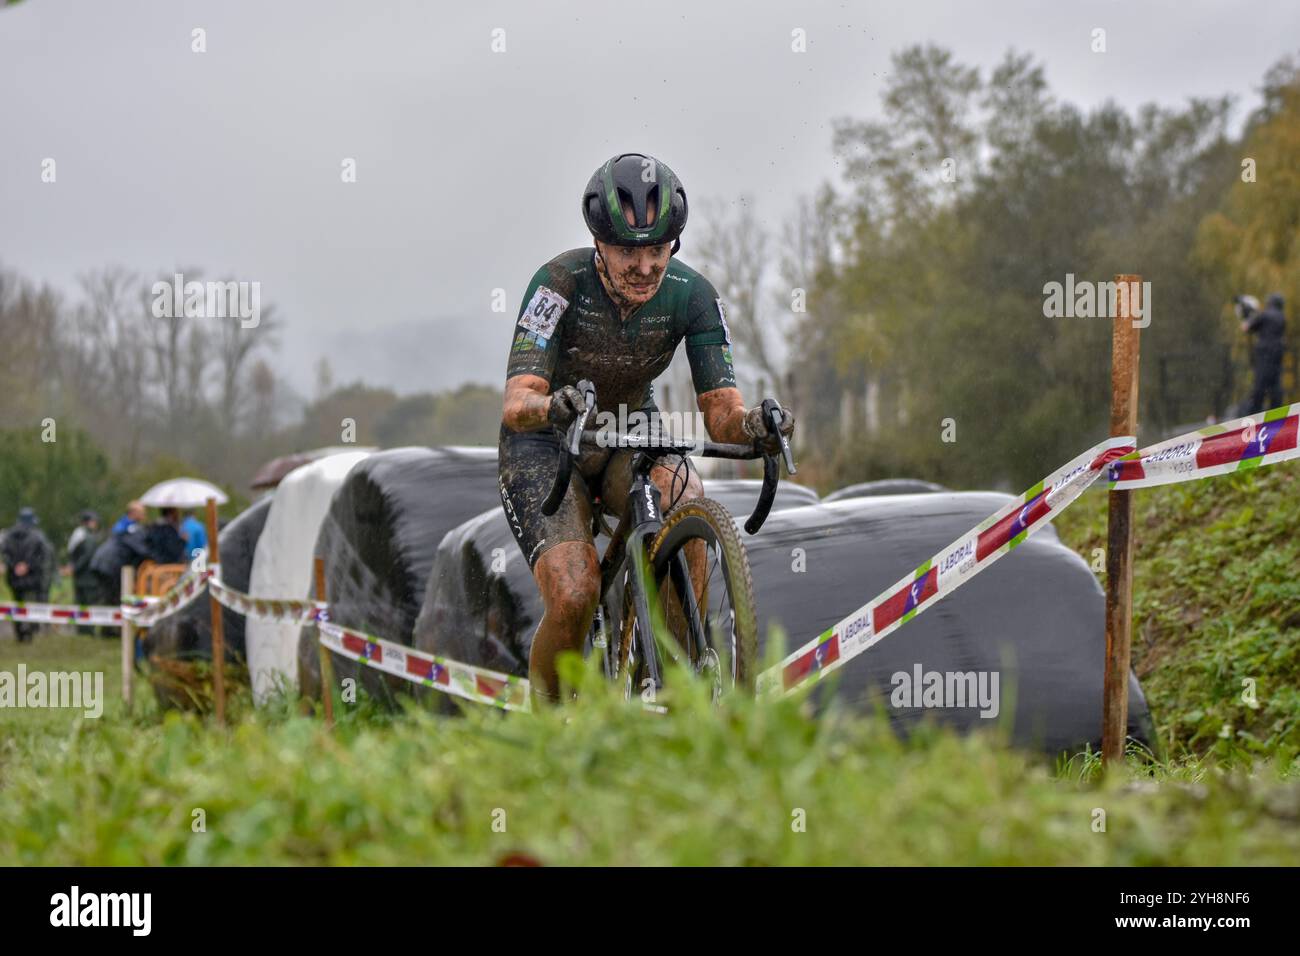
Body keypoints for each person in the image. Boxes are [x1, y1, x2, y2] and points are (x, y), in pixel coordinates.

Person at [497, 152, 795, 704]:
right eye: (629, 252)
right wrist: (551, 407)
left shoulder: (694, 295)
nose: (645, 267)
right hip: (547, 438)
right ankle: (546, 724)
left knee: (686, 494)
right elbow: (518, 402)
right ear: (598, 244)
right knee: (574, 590)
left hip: (628, 430)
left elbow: (722, 413)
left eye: (657, 250)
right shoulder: (557, 282)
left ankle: (676, 689)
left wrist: (756, 424)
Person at [1, 507, 54, 643]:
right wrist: (27, 566)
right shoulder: (38, 536)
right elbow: (41, 557)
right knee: (29, 606)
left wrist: (14, 566)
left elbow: (5, 554)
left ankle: (19, 633)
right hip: (31, 578)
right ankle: (28, 634)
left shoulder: (8, 535)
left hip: (13, 578)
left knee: (17, 605)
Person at [90, 507, 152, 613]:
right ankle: (113, 627)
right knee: (114, 597)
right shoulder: (132, 528)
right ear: (134, 513)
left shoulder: (122, 525)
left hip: (101, 561)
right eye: (142, 513)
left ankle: (108, 626)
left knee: (108, 597)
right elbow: (142, 550)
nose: (144, 516)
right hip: (110, 564)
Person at [1240, 292, 1287, 414]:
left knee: (1260, 382)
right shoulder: (1282, 317)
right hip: (1278, 353)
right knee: (1275, 382)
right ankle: (1276, 410)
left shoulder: (1264, 315)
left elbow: (1246, 327)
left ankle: (1255, 411)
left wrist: (1247, 316)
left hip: (1264, 353)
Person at [65, 510, 104, 634]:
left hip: (80, 577)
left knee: (80, 602)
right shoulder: (89, 537)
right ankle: (88, 629)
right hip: (88, 577)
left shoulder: (78, 534)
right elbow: (87, 556)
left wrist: (73, 568)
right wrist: (75, 568)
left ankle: (81, 629)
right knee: (89, 603)